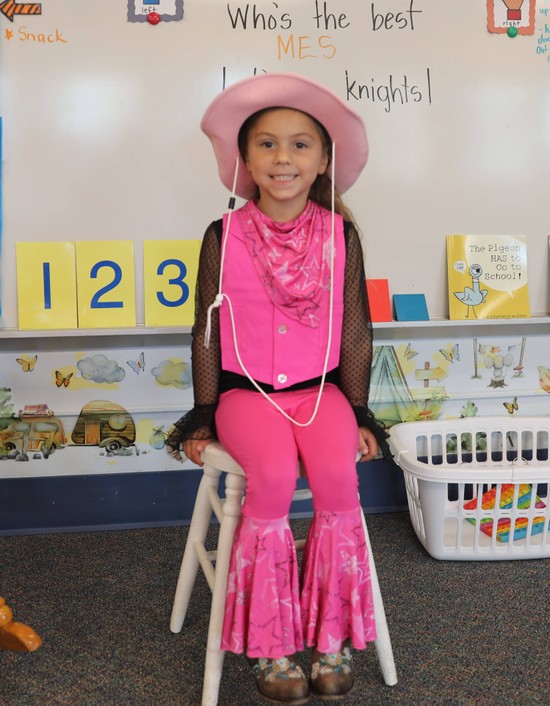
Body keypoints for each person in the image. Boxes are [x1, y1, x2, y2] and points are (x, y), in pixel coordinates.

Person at [167, 72, 388, 704]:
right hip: (246, 395)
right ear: (245, 159)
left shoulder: (340, 236)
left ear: (324, 160)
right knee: (267, 479)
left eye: (298, 145)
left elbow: (355, 333)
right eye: (266, 144)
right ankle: (271, 644)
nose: (282, 158)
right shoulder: (224, 235)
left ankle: (332, 634)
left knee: (338, 482)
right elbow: (205, 332)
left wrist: (362, 411)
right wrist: (204, 413)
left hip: (322, 395)